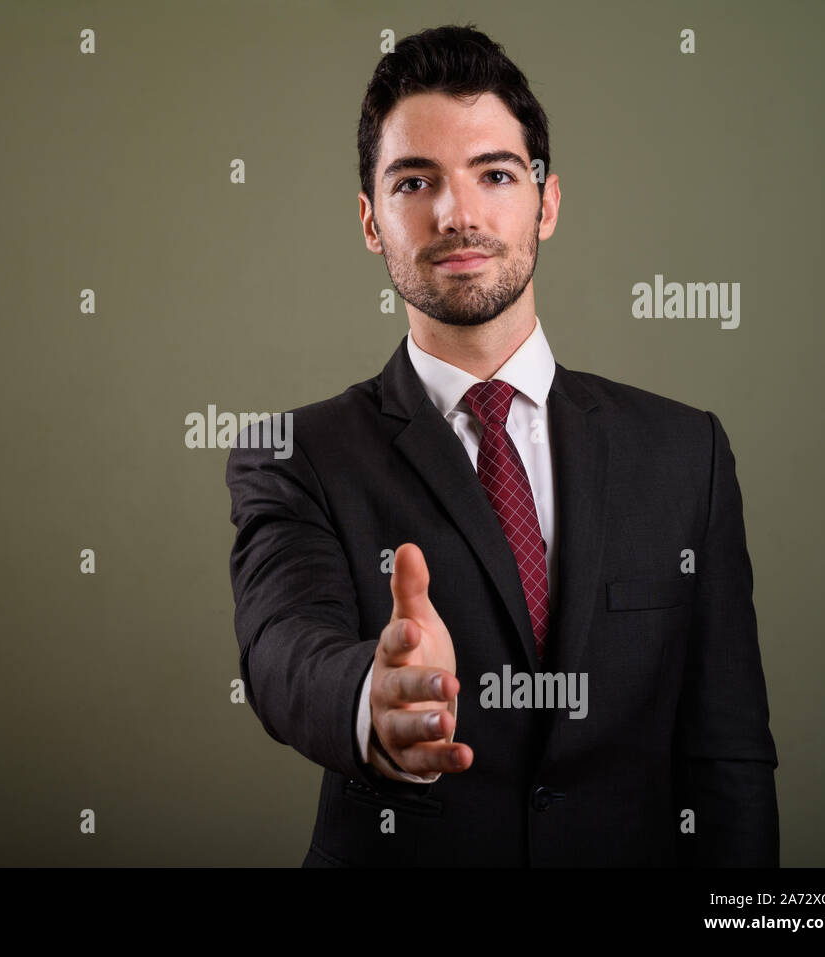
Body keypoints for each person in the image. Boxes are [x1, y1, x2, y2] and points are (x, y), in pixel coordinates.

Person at [225, 24, 778, 866]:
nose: (459, 213)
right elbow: (280, 648)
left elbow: (727, 752)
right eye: (417, 181)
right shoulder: (292, 453)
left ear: (546, 203)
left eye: (495, 173)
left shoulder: (686, 452)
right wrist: (377, 699)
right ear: (372, 222)